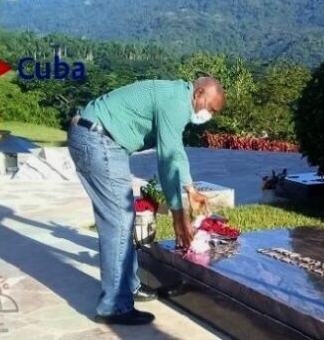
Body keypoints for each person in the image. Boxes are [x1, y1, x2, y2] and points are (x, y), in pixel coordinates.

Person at [67, 77, 225, 325]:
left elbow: (175, 150)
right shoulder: (176, 101)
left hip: (99, 138)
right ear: (200, 92)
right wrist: (177, 214)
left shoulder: (177, 97)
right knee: (118, 223)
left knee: (123, 220)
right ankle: (114, 306)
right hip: (99, 140)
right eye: (211, 108)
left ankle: (129, 287)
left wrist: (191, 190)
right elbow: (167, 161)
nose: (210, 115)